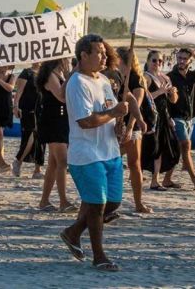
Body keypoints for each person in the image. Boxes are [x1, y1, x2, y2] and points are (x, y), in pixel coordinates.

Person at [59, 35, 130, 272]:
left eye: (104, 51)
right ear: (84, 56)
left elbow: (110, 113)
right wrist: (114, 112)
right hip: (86, 154)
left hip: (110, 150)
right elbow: (86, 122)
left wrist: (119, 124)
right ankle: (99, 256)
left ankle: (73, 232)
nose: (104, 56)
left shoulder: (104, 80)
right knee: (97, 206)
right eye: (98, 52)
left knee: (113, 202)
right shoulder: (77, 83)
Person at [162, 48, 195, 189]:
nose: (181, 61)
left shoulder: (193, 75)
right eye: (179, 58)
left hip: (189, 118)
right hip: (176, 117)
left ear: (190, 60)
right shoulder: (170, 76)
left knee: (179, 149)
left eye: (184, 58)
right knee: (186, 145)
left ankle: (167, 179)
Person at [114, 47, 153, 213]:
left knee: (134, 164)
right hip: (116, 124)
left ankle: (138, 203)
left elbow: (136, 104)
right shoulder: (117, 77)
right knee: (113, 160)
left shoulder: (136, 79)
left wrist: (129, 128)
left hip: (132, 125)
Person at [36, 57, 75, 213]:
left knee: (53, 164)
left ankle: (44, 201)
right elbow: (61, 96)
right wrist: (69, 75)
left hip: (60, 120)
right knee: (62, 162)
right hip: (53, 121)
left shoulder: (60, 75)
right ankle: (63, 201)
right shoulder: (51, 75)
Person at [141, 50, 180, 190]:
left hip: (164, 116)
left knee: (171, 147)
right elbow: (143, 97)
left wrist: (172, 93)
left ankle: (159, 179)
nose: (157, 63)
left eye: (160, 61)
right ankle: (152, 180)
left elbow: (173, 101)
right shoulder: (146, 77)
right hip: (151, 116)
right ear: (148, 61)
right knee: (152, 148)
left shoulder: (165, 78)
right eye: (154, 60)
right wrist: (159, 92)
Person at [12, 62, 45, 179]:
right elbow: (19, 91)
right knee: (30, 135)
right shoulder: (26, 72)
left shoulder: (45, 73)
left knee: (41, 139)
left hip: (42, 108)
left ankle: (37, 170)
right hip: (27, 109)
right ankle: (18, 160)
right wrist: (15, 106)